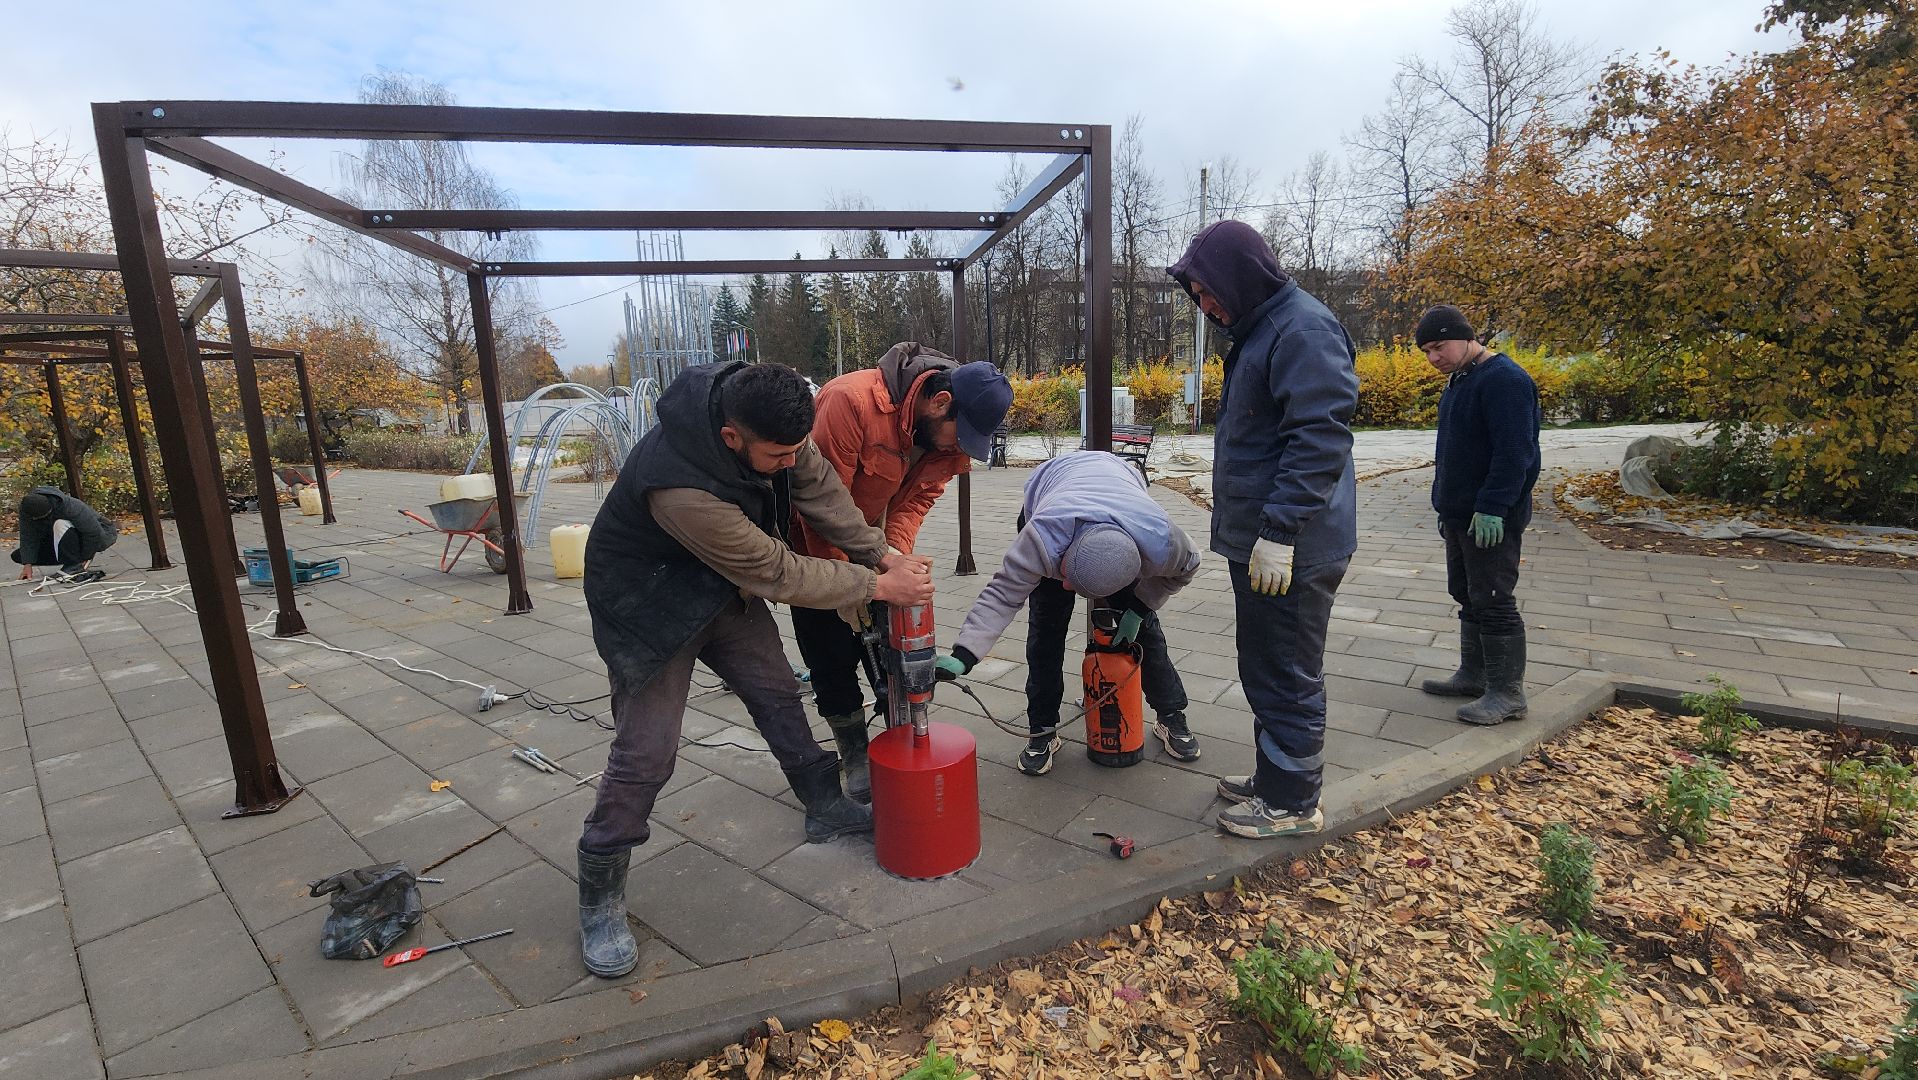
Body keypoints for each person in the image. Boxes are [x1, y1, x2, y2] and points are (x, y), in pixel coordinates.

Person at [575, 360, 935, 979]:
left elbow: (825, 495)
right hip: (648, 607)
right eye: (777, 456)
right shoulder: (679, 487)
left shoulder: (781, 431)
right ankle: (600, 881)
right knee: (648, 752)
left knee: (777, 695)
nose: (791, 464)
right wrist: (878, 586)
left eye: (796, 450)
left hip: (719, 588)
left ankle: (823, 802)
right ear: (731, 439)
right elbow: (777, 571)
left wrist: (884, 556)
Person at [1167, 220, 1359, 840]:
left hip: (1292, 546)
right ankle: (1277, 775)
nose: (1206, 305)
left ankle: (1293, 803)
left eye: (1209, 291)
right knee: (1264, 661)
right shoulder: (1262, 330)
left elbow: (1319, 438)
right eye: (1196, 296)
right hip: (1265, 543)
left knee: (1285, 667)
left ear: (1242, 277)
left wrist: (1279, 532)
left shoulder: (1300, 329)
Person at [788, 344, 1012, 802]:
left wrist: (897, 561)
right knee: (831, 658)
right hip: (816, 552)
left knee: (892, 656)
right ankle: (853, 753)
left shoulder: (943, 438)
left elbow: (914, 503)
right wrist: (848, 585)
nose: (955, 446)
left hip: (875, 549)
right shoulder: (850, 402)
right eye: (957, 434)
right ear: (940, 402)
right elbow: (819, 505)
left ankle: (902, 739)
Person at [936, 450, 1203, 775]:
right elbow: (1003, 594)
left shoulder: (1162, 543)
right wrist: (966, 653)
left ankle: (1171, 715)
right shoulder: (1040, 541)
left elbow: (1186, 569)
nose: (1067, 588)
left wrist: (1140, 606)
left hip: (1120, 506)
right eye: (1066, 579)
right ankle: (1043, 729)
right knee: (1046, 630)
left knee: (1144, 630)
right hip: (1053, 490)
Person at [1414, 304, 1542, 725]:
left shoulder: (1504, 380)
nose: (1434, 357)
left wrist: (1493, 507)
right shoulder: (1461, 379)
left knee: (1493, 598)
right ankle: (1475, 674)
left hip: (1490, 517)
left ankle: (1508, 693)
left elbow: (1515, 453)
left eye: (1439, 346)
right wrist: (1444, 504)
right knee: (1468, 594)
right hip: (1459, 515)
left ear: (1467, 337)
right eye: (1427, 351)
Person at [12, 486, 116, 577]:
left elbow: (93, 533)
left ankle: (73, 564)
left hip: (98, 535)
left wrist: (86, 557)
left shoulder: (71, 507)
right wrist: (28, 564)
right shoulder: (27, 509)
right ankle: (69, 560)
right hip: (60, 539)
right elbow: (28, 536)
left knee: (59, 524)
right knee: (19, 556)